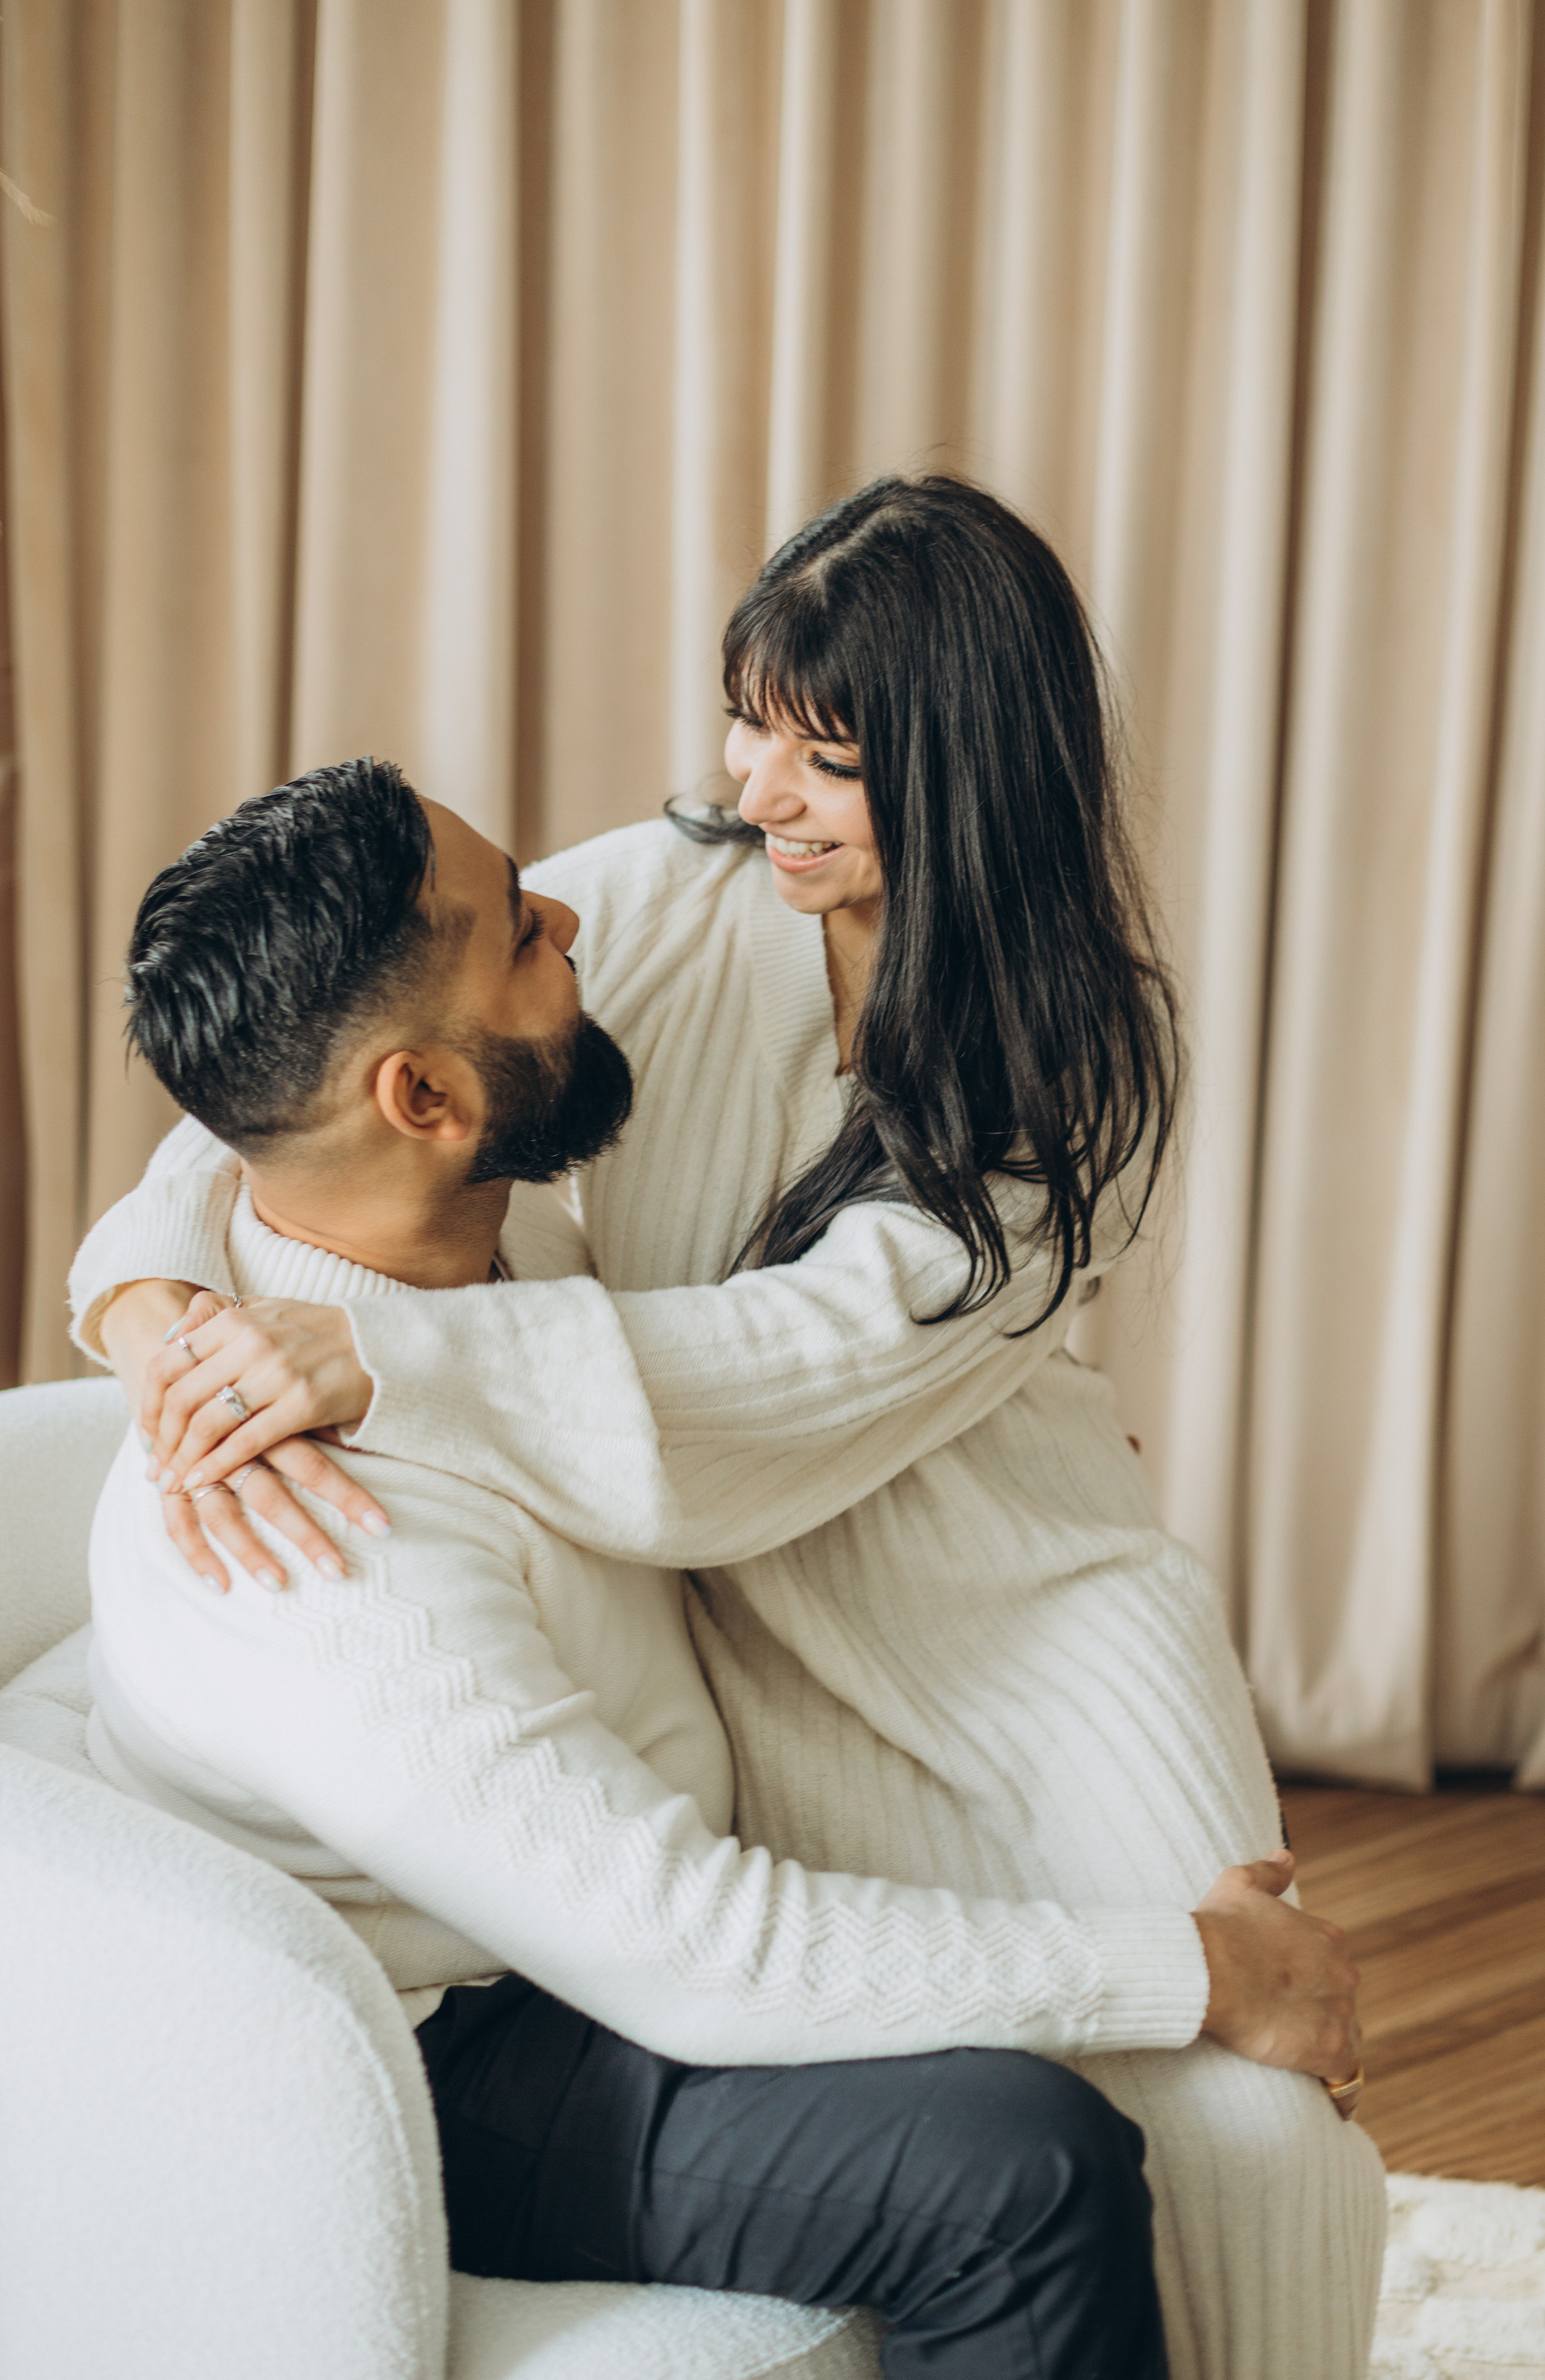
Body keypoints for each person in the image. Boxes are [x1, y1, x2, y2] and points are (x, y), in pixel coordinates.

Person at [74, 480, 1385, 2378]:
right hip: (724, 1609)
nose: (756, 789)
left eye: (827, 756)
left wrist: (389, 1365)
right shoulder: (688, 893)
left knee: (1256, 2126)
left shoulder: (1067, 1061)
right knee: (1016, 2134)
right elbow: (277, 1088)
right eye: (749, 719)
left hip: (1007, 1623)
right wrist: (153, 1312)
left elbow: (799, 1367)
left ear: (963, 775)